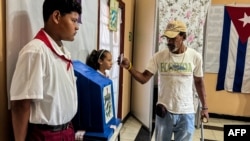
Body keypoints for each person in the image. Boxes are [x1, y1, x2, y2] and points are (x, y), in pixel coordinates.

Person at [118, 20, 209, 141]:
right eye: (167, 38)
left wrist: (205, 107)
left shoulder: (195, 57)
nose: (169, 42)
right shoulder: (159, 56)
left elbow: (199, 82)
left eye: (173, 38)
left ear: (183, 36)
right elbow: (144, 78)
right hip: (164, 111)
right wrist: (129, 67)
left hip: (186, 112)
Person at [10, 0, 82, 141]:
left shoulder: (63, 52)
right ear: (56, 16)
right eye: (73, 20)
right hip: (48, 135)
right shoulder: (36, 51)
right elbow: (21, 104)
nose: (77, 27)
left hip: (67, 130)